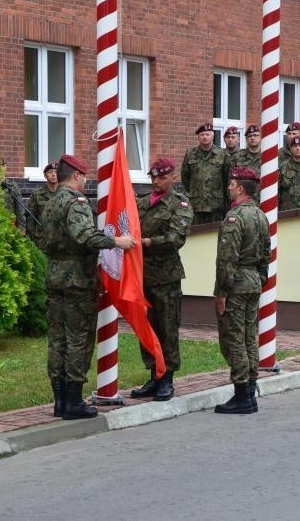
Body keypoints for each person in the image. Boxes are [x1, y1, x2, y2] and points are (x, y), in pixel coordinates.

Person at [42, 154, 136, 419]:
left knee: (57, 340)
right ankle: (73, 401)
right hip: (77, 280)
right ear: (75, 175)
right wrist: (117, 241)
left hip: (55, 275)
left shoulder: (50, 202)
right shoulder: (77, 202)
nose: (85, 181)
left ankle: (60, 401)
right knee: (78, 339)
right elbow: (84, 235)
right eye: (84, 176)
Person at [130, 158, 194, 401]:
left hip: (166, 277)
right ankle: (153, 375)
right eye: (153, 177)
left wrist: (148, 242)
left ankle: (167, 378)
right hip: (142, 274)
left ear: (172, 177)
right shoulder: (142, 202)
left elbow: (176, 238)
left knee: (167, 328)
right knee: (147, 328)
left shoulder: (180, 204)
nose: (156, 181)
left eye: (162, 177)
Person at [213, 167, 271, 414]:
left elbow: (227, 259)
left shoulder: (235, 217)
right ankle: (250, 392)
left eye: (231, 184)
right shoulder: (261, 215)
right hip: (253, 283)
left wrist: (221, 292)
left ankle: (242, 395)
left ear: (239, 188)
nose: (229, 187)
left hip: (236, 285)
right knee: (249, 338)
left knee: (234, 339)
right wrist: (260, 279)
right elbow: (266, 253)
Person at [181, 122, 228, 225]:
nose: (204, 137)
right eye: (202, 135)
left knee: (215, 234)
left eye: (207, 134)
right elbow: (185, 176)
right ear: (198, 137)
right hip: (196, 204)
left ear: (213, 136)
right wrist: (194, 191)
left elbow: (226, 178)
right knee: (196, 233)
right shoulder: (190, 153)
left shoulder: (222, 154)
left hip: (215, 205)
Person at [26, 161, 59, 246]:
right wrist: (33, 240)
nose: (53, 174)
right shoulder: (36, 195)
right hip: (42, 241)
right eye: (50, 172)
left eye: (56, 172)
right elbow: (30, 220)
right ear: (45, 175)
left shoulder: (66, 194)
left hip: (61, 241)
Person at [1, 162, 26, 231]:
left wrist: (21, 230)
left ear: (5, 167)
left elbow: (20, 210)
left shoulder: (12, 186)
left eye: (1, 165)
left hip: (9, 227)